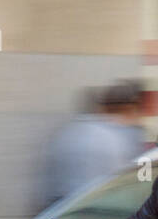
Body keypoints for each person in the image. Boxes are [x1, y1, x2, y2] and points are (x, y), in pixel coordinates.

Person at [36, 79, 146, 211]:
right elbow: (121, 187)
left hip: (57, 213)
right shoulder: (113, 139)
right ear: (129, 109)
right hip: (94, 213)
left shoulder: (64, 133)